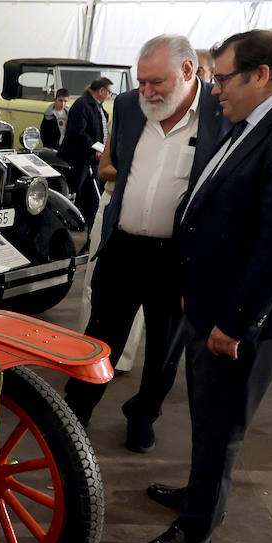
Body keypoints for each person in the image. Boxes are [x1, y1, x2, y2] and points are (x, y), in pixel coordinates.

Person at [139, 30, 272, 543]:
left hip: (246, 314)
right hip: (214, 301)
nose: (214, 88)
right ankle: (201, 493)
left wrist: (236, 321)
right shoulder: (255, 122)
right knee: (208, 416)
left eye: (222, 78)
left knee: (223, 423)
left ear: (261, 75)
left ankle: (197, 526)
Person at [64, 34, 227, 453]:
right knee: (100, 336)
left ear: (189, 71)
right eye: (141, 82)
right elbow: (113, 165)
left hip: (178, 258)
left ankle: (143, 415)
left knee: (163, 348)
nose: (147, 92)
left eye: (157, 82)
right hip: (123, 247)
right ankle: (75, 411)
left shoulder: (220, 112)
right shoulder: (127, 106)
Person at [59, 77, 113, 225]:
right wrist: (93, 148)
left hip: (92, 158)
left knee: (92, 195)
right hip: (79, 158)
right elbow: (79, 131)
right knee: (76, 191)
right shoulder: (82, 105)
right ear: (101, 91)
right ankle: (71, 221)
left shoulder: (98, 106)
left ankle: (89, 223)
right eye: (109, 92)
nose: (110, 95)